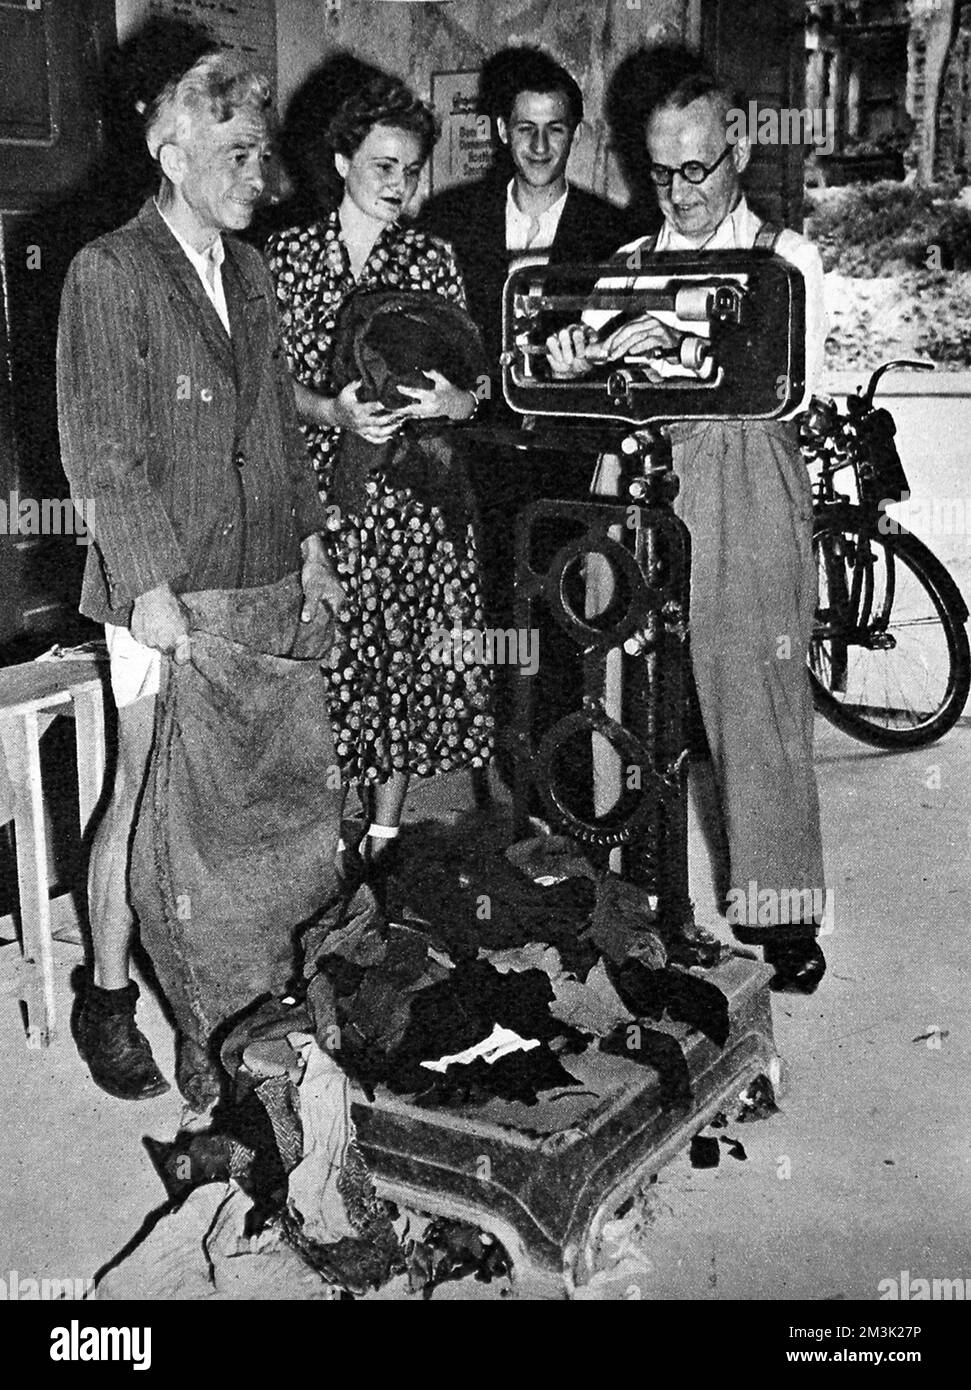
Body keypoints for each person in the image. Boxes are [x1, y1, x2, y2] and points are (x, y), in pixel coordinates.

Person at [56, 52, 342, 1101]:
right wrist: (147, 587)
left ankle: (226, 1007)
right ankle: (108, 991)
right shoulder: (111, 270)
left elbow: (272, 424)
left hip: (255, 576)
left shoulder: (250, 272)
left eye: (260, 152)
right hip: (163, 590)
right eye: (233, 153)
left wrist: (310, 547)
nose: (255, 172)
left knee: (239, 817)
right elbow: (100, 447)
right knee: (148, 799)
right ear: (171, 156)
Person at [546, 61, 828, 993]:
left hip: (745, 478)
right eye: (662, 174)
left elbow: (793, 380)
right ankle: (627, 905)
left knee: (756, 697)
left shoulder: (789, 260)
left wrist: (672, 349)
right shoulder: (624, 269)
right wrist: (572, 358)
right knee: (615, 692)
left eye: (698, 169)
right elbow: (575, 395)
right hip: (634, 482)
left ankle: (780, 916)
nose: (680, 191)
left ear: (737, 148)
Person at [265, 75, 492, 876]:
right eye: (382, 166)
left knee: (401, 663)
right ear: (340, 161)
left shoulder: (431, 258)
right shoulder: (285, 256)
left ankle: (388, 836)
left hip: (417, 498)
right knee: (331, 662)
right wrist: (333, 411)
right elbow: (262, 386)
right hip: (320, 496)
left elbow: (476, 381)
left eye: (410, 169)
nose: (399, 186)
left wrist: (457, 400)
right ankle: (324, 835)